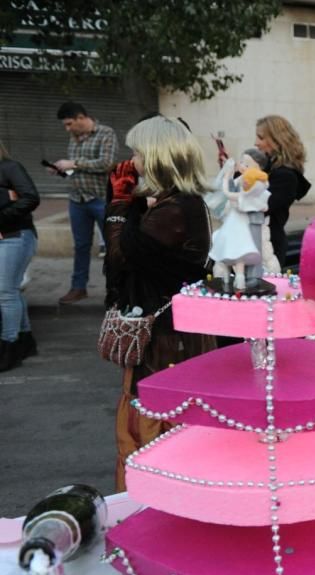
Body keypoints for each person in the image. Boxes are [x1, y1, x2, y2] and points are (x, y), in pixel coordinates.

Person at [103, 116, 216, 491]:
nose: (131, 160)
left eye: (137, 151)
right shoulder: (173, 204)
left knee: (154, 437)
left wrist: (120, 205)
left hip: (168, 343)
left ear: (156, 156)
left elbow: (121, 258)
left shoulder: (176, 209)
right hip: (170, 337)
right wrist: (128, 203)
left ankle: (153, 509)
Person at [53, 101, 118, 304]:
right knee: (81, 246)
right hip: (77, 199)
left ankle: (116, 289)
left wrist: (73, 163)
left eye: (70, 123)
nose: (67, 128)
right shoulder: (74, 137)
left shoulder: (106, 133)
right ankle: (78, 287)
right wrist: (63, 170)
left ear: (81, 118)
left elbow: (107, 163)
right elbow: (77, 169)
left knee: (112, 245)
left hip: (100, 199)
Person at [0, 139, 40, 372]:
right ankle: (25, 341)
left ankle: (9, 346)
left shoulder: (10, 167)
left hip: (17, 235)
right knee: (11, 290)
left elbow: (31, 198)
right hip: (10, 236)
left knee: (5, 293)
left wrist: (3, 217)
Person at [253, 115, 310, 268]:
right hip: (259, 245)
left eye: (261, 137)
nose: (256, 143)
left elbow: (257, 207)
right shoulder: (271, 169)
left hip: (268, 250)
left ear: (277, 140)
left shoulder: (285, 176)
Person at [207, 149, 269, 290]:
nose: (242, 166)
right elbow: (231, 189)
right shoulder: (241, 180)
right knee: (235, 247)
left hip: (251, 221)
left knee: (248, 248)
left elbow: (234, 194)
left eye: (247, 164)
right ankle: (235, 276)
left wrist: (227, 181)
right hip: (237, 220)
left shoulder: (258, 183)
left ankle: (251, 276)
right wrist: (228, 175)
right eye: (242, 162)